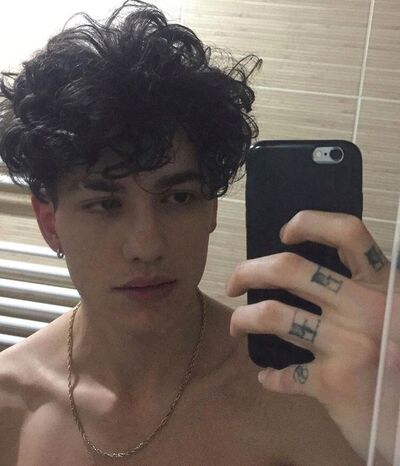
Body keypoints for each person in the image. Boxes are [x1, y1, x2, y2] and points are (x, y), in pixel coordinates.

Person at [0, 1, 396, 464]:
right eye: (106, 204)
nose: (147, 245)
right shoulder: (11, 402)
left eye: (178, 197)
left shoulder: (300, 397)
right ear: (50, 223)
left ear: (211, 208)